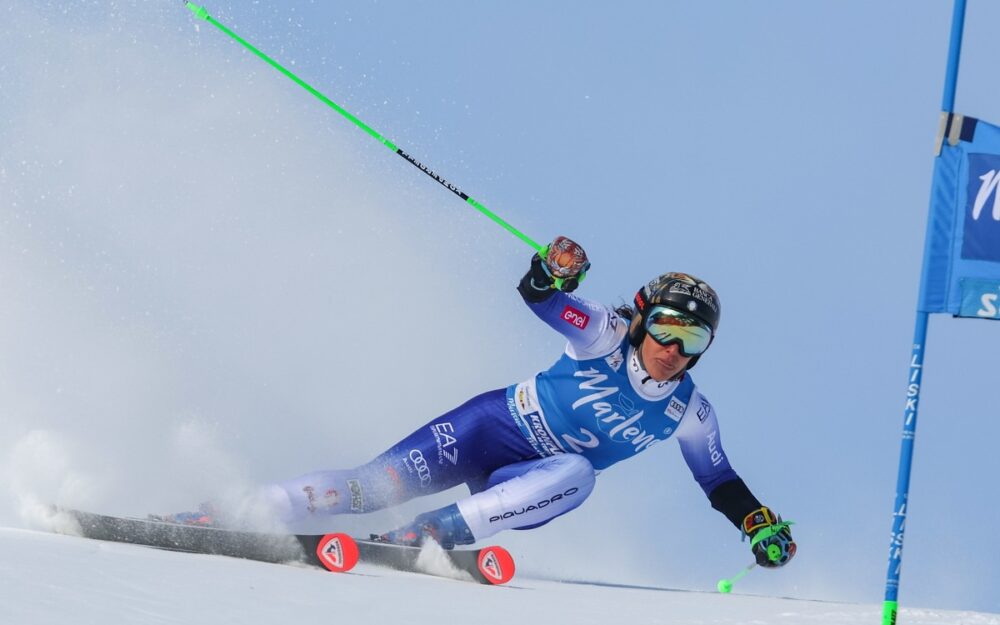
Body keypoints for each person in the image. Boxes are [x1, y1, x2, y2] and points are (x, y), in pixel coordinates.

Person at [171, 236, 796, 569]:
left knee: (580, 475)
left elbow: (719, 479)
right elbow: (543, 298)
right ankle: (248, 508)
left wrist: (758, 525)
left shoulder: (689, 411)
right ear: (640, 319)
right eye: (665, 328)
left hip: (534, 478)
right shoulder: (604, 330)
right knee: (370, 487)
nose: (674, 349)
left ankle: (430, 535)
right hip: (487, 427)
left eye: (694, 339)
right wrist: (553, 271)